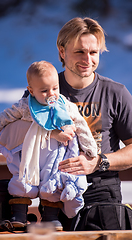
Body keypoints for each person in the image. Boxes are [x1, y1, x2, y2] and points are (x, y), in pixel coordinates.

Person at [0, 61, 97, 230]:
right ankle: (19, 214)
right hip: (30, 153)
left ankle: (50, 219)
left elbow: (80, 125)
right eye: (44, 90)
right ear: (31, 90)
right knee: (22, 179)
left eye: (55, 88)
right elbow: (8, 115)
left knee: (52, 183)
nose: (51, 94)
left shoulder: (64, 105)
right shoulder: (26, 105)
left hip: (54, 154)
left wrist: (90, 148)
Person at [53, 17, 132, 230]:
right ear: (62, 51)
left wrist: (97, 162)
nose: (87, 59)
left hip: (102, 193)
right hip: (54, 193)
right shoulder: (45, 90)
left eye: (93, 52)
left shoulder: (116, 93)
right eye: (79, 51)